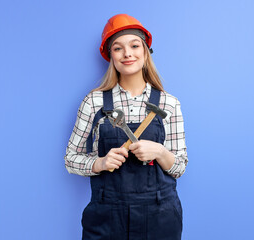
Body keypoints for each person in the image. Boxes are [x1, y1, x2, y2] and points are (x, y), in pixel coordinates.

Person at [64, 13, 188, 240]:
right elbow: (71, 159)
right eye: (118, 48)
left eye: (134, 45)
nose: (128, 53)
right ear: (110, 55)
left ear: (145, 51)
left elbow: (179, 167)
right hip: (107, 216)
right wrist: (100, 162)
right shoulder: (94, 102)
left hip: (160, 216)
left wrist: (159, 152)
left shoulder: (169, 103)